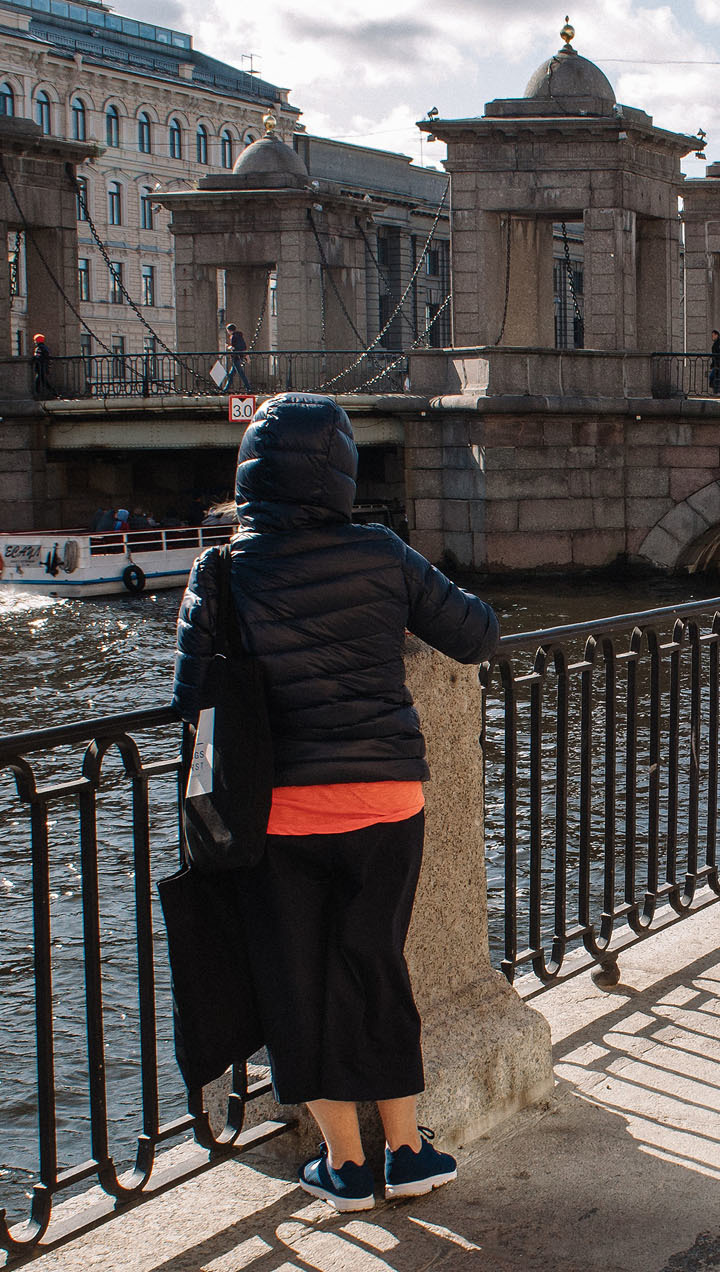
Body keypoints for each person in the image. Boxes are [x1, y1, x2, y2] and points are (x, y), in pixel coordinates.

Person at [173, 393, 500, 1213]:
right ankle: (409, 1150)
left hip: (277, 816)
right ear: (344, 472)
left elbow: (190, 693)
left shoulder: (221, 568)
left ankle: (344, 1164)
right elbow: (474, 634)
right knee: (376, 970)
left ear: (250, 474)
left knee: (296, 986)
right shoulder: (380, 552)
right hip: (386, 803)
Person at [222, 322, 249, 393]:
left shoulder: (233, 337)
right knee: (231, 374)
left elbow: (234, 347)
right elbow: (243, 346)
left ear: (229, 330)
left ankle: (248, 387)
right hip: (239, 356)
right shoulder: (240, 336)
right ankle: (225, 389)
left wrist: (229, 347)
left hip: (235, 357)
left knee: (240, 373)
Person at [31, 332, 52, 399]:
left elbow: (37, 357)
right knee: (44, 381)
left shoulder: (39, 348)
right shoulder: (45, 347)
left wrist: (33, 359)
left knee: (39, 382)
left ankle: (38, 395)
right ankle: (53, 393)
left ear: (37, 341)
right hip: (44, 367)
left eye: (35, 340)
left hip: (40, 367)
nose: (34, 342)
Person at [708, 329, 720, 394]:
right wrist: (713, 364)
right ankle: (717, 392)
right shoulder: (716, 344)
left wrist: (717, 364)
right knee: (715, 378)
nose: (712, 337)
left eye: (713, 335)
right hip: (717, 365)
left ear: (717, 335)